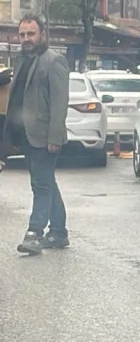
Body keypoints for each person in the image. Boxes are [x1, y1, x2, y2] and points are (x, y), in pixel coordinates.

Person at [4, 15, 71, 255]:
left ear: (42, 34)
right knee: (46, 183)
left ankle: (34, 234)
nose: (26, 39)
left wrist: (54, 137)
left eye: (31, 34)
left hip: (44, 136)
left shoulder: (54, 61)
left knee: (41, 185)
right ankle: (59, 233)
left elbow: (60, 103)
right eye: (22, 35)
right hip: (26, 135)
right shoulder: (22, 60)